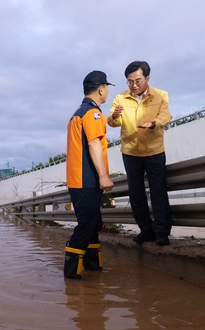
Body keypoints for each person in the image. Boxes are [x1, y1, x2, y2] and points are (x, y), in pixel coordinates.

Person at [107, 61, 173, 246]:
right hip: (130, 152)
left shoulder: (160, 95)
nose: (134, 85)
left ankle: (162, 232)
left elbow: (166, 116)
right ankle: (146, 230)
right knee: (136, 194)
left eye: (137, 81)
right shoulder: (120, 98)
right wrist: (114, 116)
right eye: (129, 82)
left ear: (147, 78)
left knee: (158, 191)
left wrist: (154, 123)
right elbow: (112, 122)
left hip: (154, 150)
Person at [64, 70, 115, 279]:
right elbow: (94, 144)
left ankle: (93, 268)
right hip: (86, 180)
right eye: (107, 88)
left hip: (80, 180)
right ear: (102, 88)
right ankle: (71, 275)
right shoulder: (93, 113)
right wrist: (103, 176)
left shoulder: (79, 112)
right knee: (87, 225)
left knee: (94, 224)